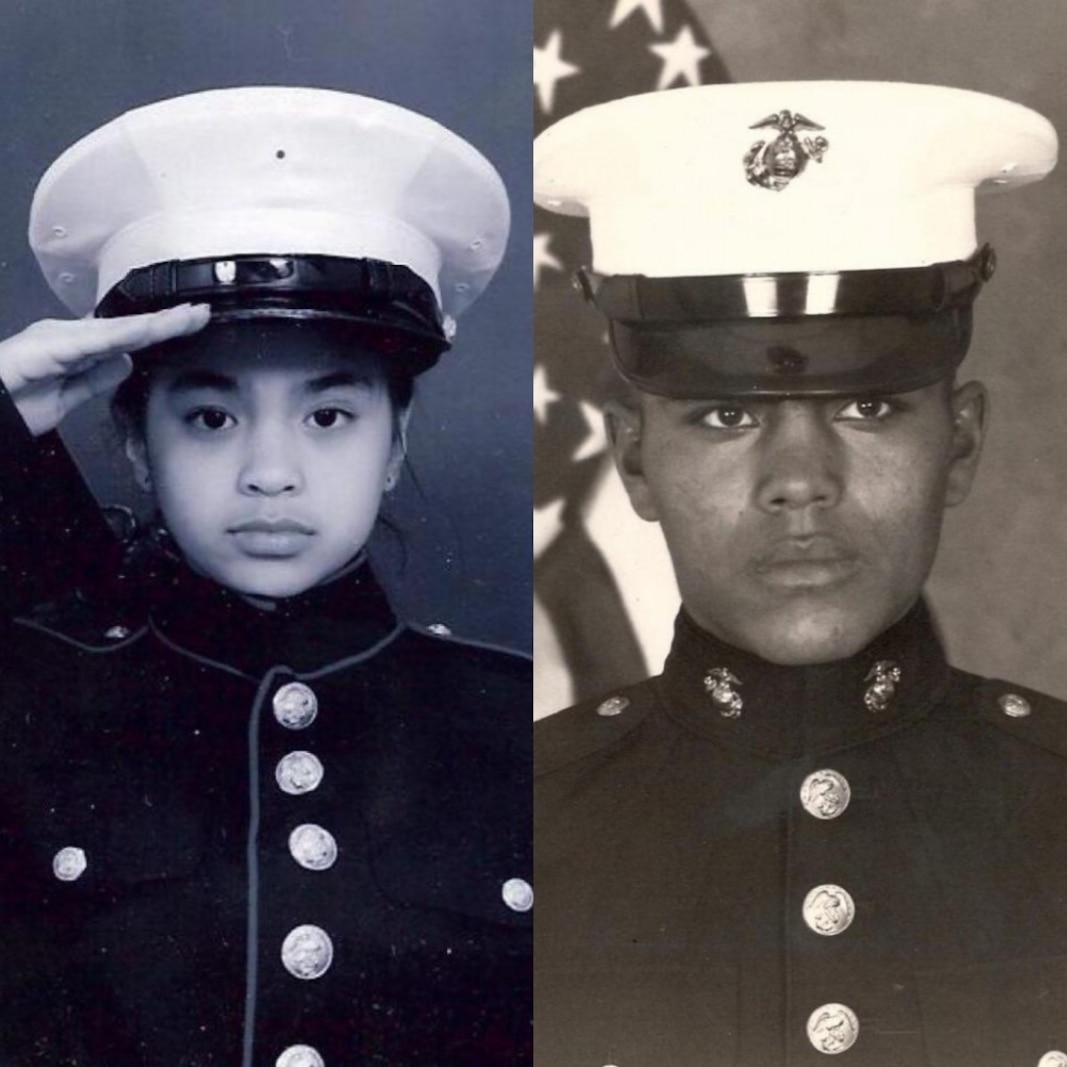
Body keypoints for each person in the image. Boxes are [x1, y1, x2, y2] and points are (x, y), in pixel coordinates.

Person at [533, 81, 1067, 1066]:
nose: (799, 483)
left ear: (958, 443)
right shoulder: (516, 834)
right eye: (723, 415)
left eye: (865, 407)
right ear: (635, 463)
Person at [0, 87, 530, 1067]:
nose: (270, 470)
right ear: (134, 442)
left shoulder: (526, 730)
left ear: (393, 439)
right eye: (210, 416)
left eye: (328, 415)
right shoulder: (31, 694)